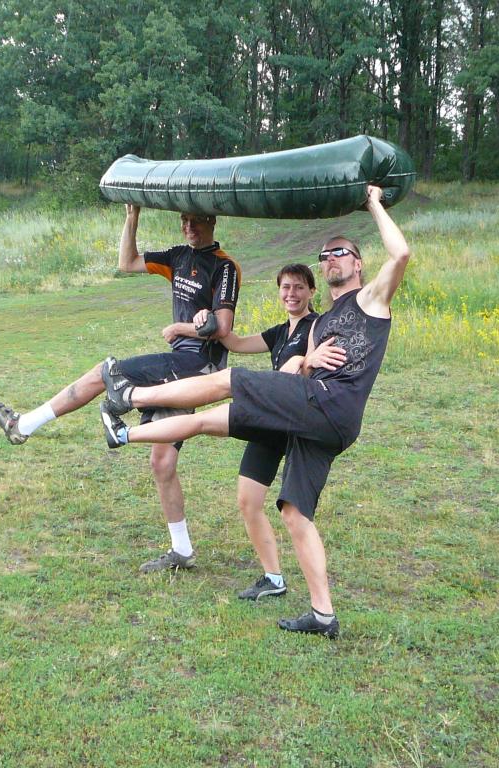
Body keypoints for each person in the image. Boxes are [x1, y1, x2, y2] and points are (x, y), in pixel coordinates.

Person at [98, 185, 410, 638]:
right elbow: (299, 366)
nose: (331, 260)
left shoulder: (371, 300)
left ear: (358, 263)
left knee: (231, 380)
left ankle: (131, 397)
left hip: (331, 403)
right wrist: (306, 358)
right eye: (325, 256)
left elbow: (400, 254)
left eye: (340, 253)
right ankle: (323, 615)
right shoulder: (321, 322)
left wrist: (374, 203)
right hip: (320, 416)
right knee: (295, 513)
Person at [0, 206, 241, 573]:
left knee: (105, 373)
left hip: (199, 365)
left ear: (211, 220)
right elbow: (127, 262)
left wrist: (181, 328)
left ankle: (24, 425)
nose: (188, 227)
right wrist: (131, 217)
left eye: (196, 221)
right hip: (179, 366)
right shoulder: (177, 257)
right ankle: (182, 551)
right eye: (184, 221)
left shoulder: (224, 266)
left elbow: (223, 326)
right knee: (161, 461)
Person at [216, 264, 318, 602]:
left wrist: (302, 359)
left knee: (296, 512)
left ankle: (319, 598)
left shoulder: (318, 325)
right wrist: (211, 320)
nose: (291, 294)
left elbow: (316, 361)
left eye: (299, 287)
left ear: (312, 291)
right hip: (271, 419)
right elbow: (235, 342)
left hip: (301, 423)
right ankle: (273, 578)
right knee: (248, 501)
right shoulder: (279, 332)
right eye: (285, 287)